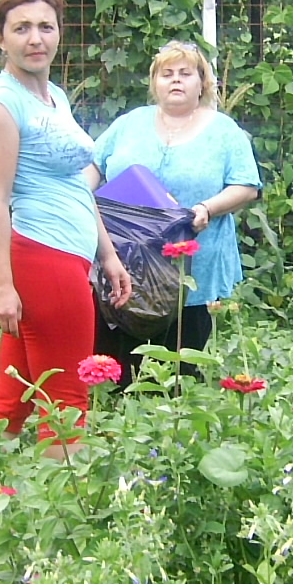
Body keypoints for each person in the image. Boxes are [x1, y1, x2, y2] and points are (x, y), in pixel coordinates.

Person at [0, 0, 133, 434]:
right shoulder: (2, 106)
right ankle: (67, 502)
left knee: (16, 391)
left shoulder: (54, 97)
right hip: (42, 255)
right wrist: (1, 286)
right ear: (0, 38)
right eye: (21, 28)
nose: (35, 38)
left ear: (59, 33)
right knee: (66, 396)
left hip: (72, 253)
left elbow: (75, 183)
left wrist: (107, 254)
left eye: (45, 26)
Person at [88, 40, 261, 382]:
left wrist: (207, 209)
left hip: (191, 266)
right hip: (122, 257)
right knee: (114, 360)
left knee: (178, 367)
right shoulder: (128, 123)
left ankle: (172, 426)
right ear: (155, 83)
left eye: (186, 73)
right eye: (167, 74)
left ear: (202, 84)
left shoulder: (224, 131)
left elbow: (247, 186)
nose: (176, 80)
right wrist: (78, 196)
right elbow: (91, 168)